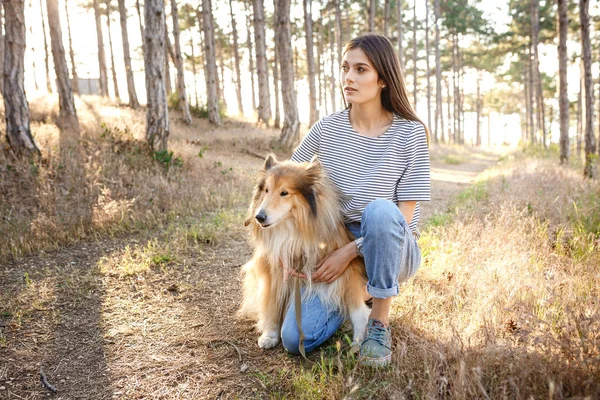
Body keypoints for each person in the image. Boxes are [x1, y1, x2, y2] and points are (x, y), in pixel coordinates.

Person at [280, 33, 431, 367]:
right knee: (295, 338)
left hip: (393, 241)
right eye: (345, 68)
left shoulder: (410, 133)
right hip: (335, 241)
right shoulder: (327, 129)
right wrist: (288, 246)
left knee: (380, 210)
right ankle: (363, 289)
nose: (348, 77)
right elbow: (285, 184)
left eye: (361, 69)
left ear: (383, 80)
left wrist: (349, 253)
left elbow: (404, 217)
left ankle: (379, 320)